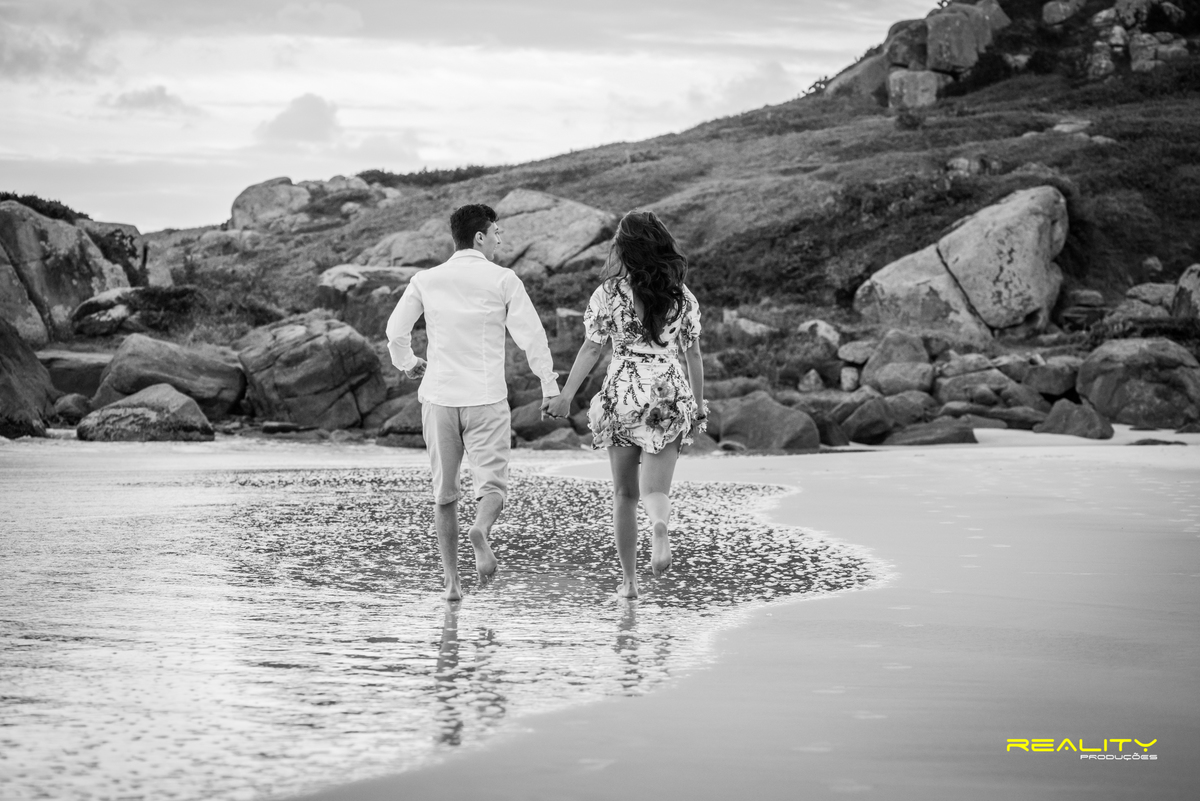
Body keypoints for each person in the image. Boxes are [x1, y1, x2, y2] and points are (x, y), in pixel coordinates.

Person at [385, 204, 560, 601]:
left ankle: (452, 584)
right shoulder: (503, 279)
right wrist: (548, 385)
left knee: (444, 494)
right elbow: (531, 336)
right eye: (496, 232)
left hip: (439, 398)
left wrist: (408, 363)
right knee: (492, 485)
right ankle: (480, 529)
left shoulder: (426, 279)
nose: (500, 239)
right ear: (480, 237)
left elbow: (395, 332)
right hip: (486, 398)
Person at [545, 210, 706, 599]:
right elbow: (694, 355)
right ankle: (659, 526)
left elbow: (591, 349)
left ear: (624, 249)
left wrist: (566, 395)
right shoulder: (682, 296)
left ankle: (629, 583)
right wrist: (699, 406)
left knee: (624, 495)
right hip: (667, 393)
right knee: (654, 492)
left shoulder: (608, 293)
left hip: (622, 394)